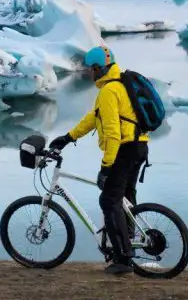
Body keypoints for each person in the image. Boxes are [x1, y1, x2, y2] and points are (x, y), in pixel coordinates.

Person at [49, 45, 149, 275]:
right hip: (140, 147)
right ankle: (128, 240)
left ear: (98, 68)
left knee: (108, 201)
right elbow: (93, 119)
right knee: (125, 198)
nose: (89, 74)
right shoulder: (119, 85)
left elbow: (113, 134)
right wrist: (67, 137)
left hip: (124, 149)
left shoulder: (108, 92)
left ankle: (123, 259)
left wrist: (106, 167)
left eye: (91, 69)